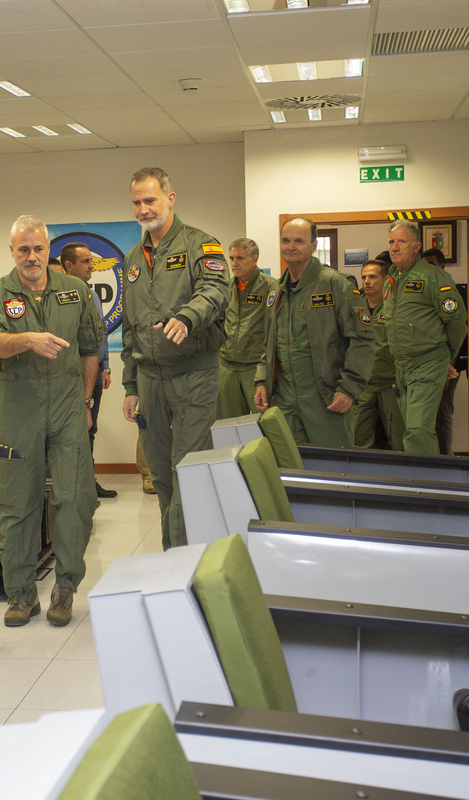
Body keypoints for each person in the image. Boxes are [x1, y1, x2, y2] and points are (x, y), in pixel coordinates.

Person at [0, 215, 103, 627]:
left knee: (73, 501)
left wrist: (84, 399)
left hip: (66, 406)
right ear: (12, 251)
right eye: (23, 249)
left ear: (49, 249)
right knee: (16, 505)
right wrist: (25, 339)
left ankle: (64, 589)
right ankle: (21, 595)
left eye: (38, 248)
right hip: (20, 407)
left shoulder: (76, 291)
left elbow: (90, 348)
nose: (31, 256)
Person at [119, 167, 229, 550]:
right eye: (137, 202)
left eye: (150, 200)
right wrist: (131, 385)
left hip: (193, 377)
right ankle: (177, 552)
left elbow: (215, 290)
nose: (143, 209)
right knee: (162, 476)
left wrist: (187, 317)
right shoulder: (133, 258)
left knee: (188, 472)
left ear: (170, 198)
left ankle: (186, 559)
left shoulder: (201, 244)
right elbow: (130, 328)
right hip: (149, 382)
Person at [254, 218, 374, 447]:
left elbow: (363, 340)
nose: (291, 246)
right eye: (286, 240)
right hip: (285, 399)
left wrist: (349, 388)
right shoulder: (274, 291)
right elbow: (268, 344)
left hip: (326, 397)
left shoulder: (336, 285)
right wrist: (261, 381)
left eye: (299, 241)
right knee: (291, 466)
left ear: (314, 245)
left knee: (333, 469)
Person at [382, 220, 467, 454]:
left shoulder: (433, 277)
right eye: (391, 242)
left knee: (418, 431)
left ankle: (423, 484)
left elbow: (457, 321)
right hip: (402, 369)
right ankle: (428, 481)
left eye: (402, 241)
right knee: (414, 430)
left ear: (417, 247)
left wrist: (445, 359)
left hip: (427, 365)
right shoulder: (391, 280)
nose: (395, 247)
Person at [60, 242, 116, 499]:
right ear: (68, 265)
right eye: (85, 261)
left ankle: (87, 482)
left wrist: (105, 366)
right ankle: (71, 485)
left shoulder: (92, 295)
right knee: (69, 432)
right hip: (69, 375)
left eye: (92, 261)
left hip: (93, 373)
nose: (92, 265)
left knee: (90, 428)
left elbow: (100, 333)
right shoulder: (56, 296)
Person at [217, 237, 277, 419]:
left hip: (255, 368)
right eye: (232, 258)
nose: (234, 263)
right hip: (227, 367)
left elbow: (273, 330)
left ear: (254, 259)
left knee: (266, 423)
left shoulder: (270, 287)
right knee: (230, 425)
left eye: (240, 258)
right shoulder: (226, 287)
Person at [352, 260, 405, 450]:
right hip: (363, 384)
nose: (367, 281)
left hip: (390, 383)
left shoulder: (397, 304)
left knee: (398, 440)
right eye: (364, 277)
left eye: (373, 277)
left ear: (385, 279)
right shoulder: (355, 306)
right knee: (358, 441)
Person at [421, 247, 466, 455]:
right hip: (423, 366)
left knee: (442, 414)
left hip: (447, 364)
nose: (426, 270)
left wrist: (446, 365)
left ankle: (446, 459)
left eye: (430, 264)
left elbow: (456, 328)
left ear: (442, 265)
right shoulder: (421, 292)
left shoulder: (450, 290)